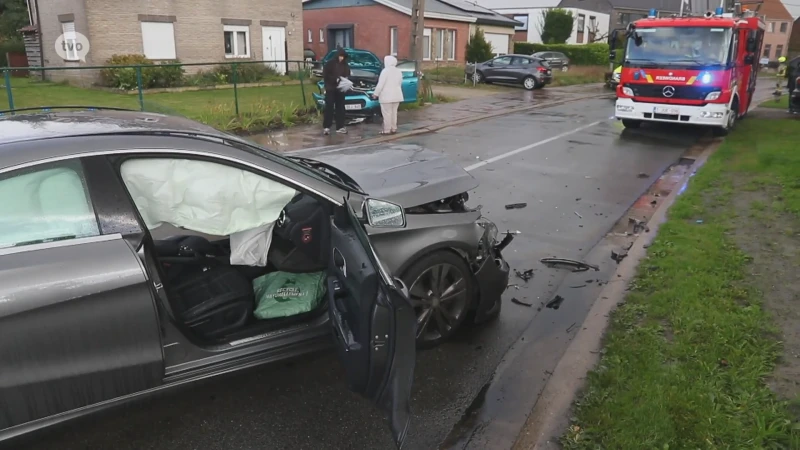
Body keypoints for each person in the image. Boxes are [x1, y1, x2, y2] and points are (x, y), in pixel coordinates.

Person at [371, 55, 404, 135]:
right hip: (397, 96)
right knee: (394, 113)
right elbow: (400, 83)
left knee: (387, 114)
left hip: (386, 97)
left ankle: (386, 130)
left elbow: (380, 84)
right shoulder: (398, 71)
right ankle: (393, 128)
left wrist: (375, 94)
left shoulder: (385, 71)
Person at [322, 48, 351, 135]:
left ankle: (340, 126)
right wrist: (335, 79)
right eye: (340, 56)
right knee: (329, 107)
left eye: (343, 57)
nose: (341, 58)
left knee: (340, 108)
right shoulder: (330, 64)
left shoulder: (345, 65)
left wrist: (345, 80)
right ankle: (327, 127)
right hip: (331, 88)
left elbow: (347, 74)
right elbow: (326, 75)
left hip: (340, 89)